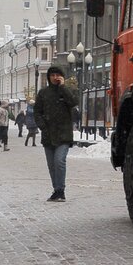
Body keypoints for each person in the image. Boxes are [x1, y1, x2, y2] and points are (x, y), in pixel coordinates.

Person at [33, 66, 78, 202]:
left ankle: (60, 190)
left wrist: (63, 87)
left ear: (62, 76)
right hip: (48, 134)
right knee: (52, 165)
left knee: (59, 161)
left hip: (64, 134)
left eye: (57, 75)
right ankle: (56, 190)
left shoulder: (67, 91)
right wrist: (42, 126)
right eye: (52, 75)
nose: (55, 77)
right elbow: (37, 112)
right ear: (48, 77)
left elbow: (73, 102)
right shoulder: (43, 93)